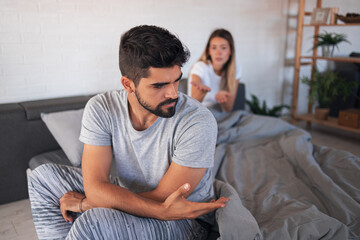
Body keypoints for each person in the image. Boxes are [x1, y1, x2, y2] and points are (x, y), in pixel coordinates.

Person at [28, 25, 229, 240]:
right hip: (138, 196)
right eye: (159, 85)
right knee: (42, 177)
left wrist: (86, 204)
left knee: (94, 222)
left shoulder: (197, 120)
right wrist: (99, 198)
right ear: (128, 84)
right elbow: (95, 186)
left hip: (183, 220)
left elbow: (166, 200)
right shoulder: (102, 107)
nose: (173, 93)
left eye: (176, 80)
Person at [187, 29, 242, 112]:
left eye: (223, 48)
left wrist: (223, 100)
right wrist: (201, 93)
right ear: (209, 51)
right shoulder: (199, 67)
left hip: (220, 113)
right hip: (201, 112)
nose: (218, 52)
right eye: (214, 48)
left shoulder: (235, 69)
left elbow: (229, 109)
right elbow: (191, 106)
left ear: (230, 51)